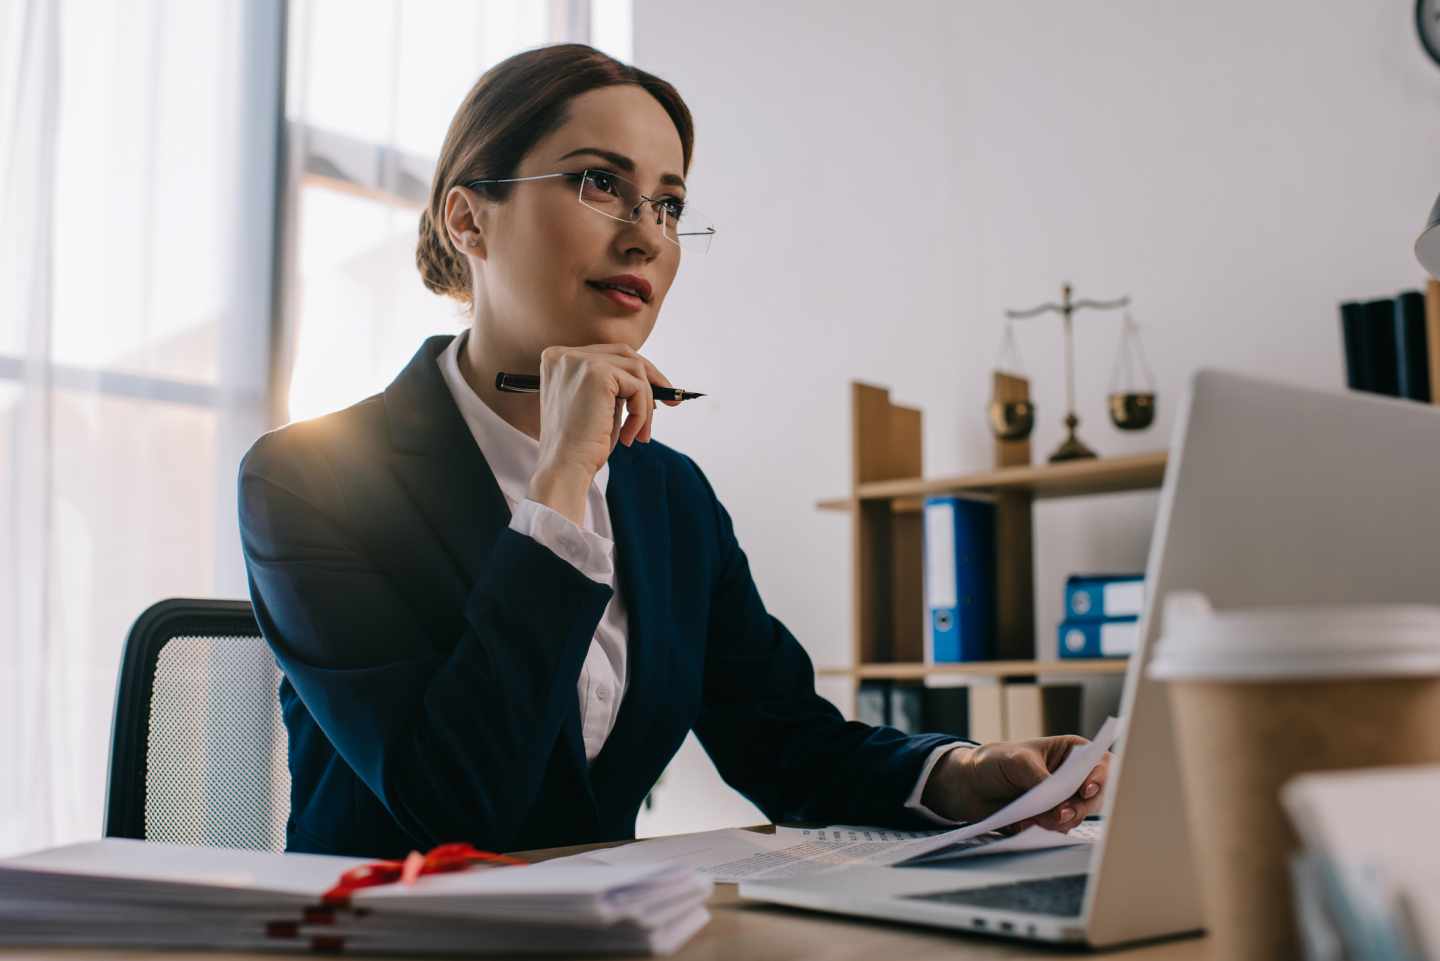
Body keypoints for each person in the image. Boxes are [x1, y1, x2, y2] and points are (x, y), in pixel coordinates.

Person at [237, 43, 1110, 859]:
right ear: (468, 217)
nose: (647, 236)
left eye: (669, 204)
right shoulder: (308, 478)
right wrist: (561, 483)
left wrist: (960, 775)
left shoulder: (668, 494)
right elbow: (457, 803)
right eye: (597, 182)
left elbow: (785, 743)